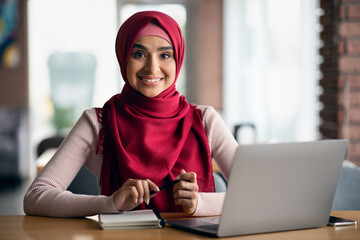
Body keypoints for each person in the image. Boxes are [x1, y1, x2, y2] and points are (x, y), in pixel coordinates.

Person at [24, 11, 238, 217]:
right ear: (124, 56)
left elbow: (259, 195)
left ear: (178, 59)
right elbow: (36, 197)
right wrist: (111, 203)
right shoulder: (98, 122)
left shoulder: (204, 120)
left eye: (165, 55)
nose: (152, 68)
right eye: (139, 54)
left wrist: (200, 203)